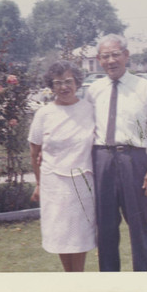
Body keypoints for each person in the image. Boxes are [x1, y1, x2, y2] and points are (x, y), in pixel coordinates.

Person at [86, 34, 147, 271]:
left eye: (115, 54)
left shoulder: (144, 87)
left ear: (126, 55)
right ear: (99, 60)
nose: (111, 61)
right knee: (106, 227)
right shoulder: (93, 90)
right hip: (102, 160)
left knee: (138, 224)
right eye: (105, 56)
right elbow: (83, 128)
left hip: (135, 160)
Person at [28, 60, 96, 272]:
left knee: (79, 235)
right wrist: (38, 184)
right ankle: (70, 278)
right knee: (60, 234)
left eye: (68, 81)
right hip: (53, 184)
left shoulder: (89, 110)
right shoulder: (44, 114)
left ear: (77, 82)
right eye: (58, 83)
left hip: (82, 182)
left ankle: (78, 277)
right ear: (51, 86)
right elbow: (34, 151)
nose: (64, 87)